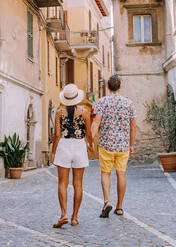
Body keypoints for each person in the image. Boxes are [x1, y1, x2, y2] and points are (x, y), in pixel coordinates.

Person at [91, 74, 136, 218]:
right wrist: (131, 145)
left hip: (106, 144)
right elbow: (133, 127)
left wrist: (90, 139)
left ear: (108, 87)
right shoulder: (128, 103)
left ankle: (106, 202)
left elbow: (96, 122)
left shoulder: (102, 102)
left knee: (105, 173)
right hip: (122, 144)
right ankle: (120, 207)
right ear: (120, 87)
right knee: (121, 173)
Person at [52, 83, 94, 228]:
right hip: (79, 146)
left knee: (62, 183)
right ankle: (75, 217)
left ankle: (64, 214)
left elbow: (57, 134)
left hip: (63, 146)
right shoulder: (85, 113)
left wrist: (53, 151)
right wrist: (91, 144)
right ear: (77, 98)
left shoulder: (58, 113)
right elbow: (88, 133)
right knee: (78, 184)